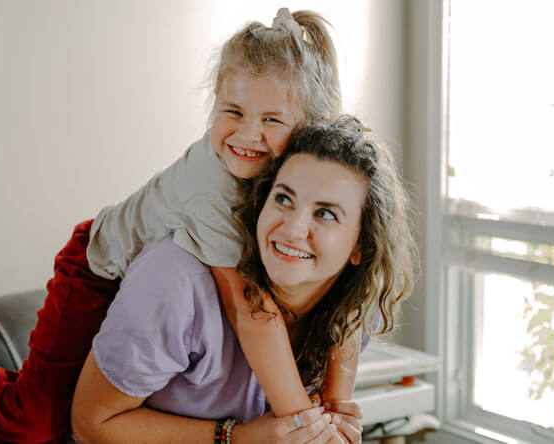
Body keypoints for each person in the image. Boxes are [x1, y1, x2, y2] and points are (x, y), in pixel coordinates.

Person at [0, 8, 349, 444]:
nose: (247, 134)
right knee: (33, 416)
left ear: (306, 128)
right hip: (97, 268)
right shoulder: (211, 184)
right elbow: (247, 309)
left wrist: (334, 402)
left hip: (144, 290)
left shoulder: (295, 182)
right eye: (231, 110)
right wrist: (301, 421)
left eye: (272, 120)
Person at [70, 114, 418, 444]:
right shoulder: (175, 283)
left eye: (325, 213)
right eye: (283, 198)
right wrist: (238, 438)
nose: (293, 230)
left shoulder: (355, 310)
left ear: (360, 246)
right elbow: (91, 425)